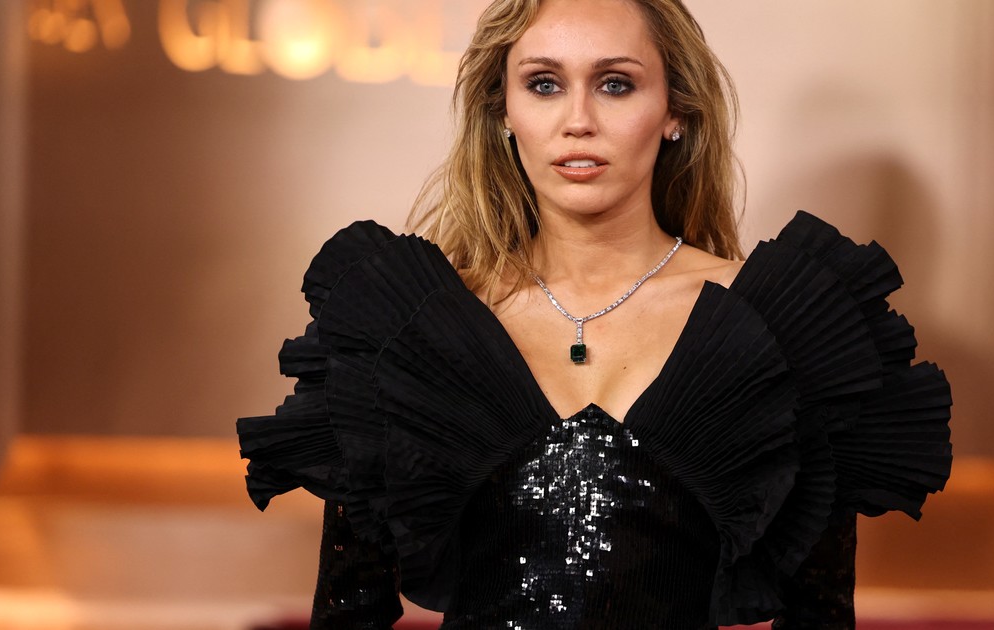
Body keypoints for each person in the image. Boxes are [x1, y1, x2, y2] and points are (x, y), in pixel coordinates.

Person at [236, 0, 953, 628]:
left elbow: (818, 619)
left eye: (615, 84)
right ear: (503, 111)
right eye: (544, 84)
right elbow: (348, 614)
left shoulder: (777, 332)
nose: (578, 121)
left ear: (675, 111)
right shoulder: (410, 334)